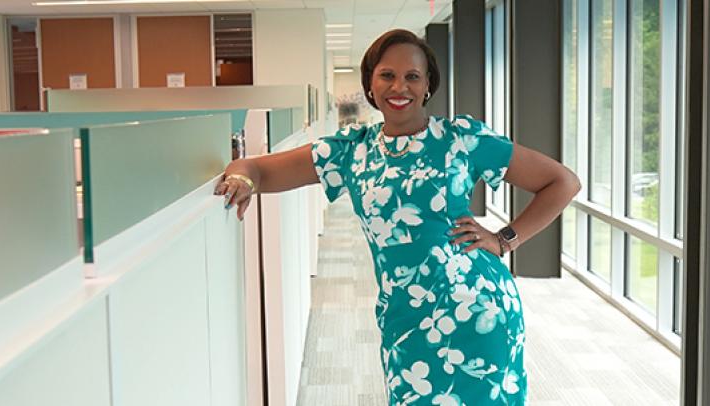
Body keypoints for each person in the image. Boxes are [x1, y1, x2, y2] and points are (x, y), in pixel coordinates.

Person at [215, 29, 579, 404]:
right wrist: (242, 178)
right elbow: (256, 168)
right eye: (387, 75)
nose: (399, 87)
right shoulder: (351, 151)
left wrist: (504, 240)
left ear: (427, 86)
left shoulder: (461, 139)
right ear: (370, 84)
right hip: (405, 319)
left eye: (412, 77)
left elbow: (562, 182)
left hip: (478, 312)